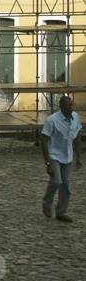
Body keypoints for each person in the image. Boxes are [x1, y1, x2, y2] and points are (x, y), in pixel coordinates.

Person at [41, 94, 82, 222]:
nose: (71, 107)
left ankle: (61, 212)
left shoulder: (75, 117)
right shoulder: (52, 120)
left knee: (66, 185)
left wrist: (78, 157)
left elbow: (77, 137)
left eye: (72, 104)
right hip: (54, 155)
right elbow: (43, 140)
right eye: (69, 105)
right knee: (56, 181)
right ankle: (46, 204)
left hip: (68, 156)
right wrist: (48, 163)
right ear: (62, 107)